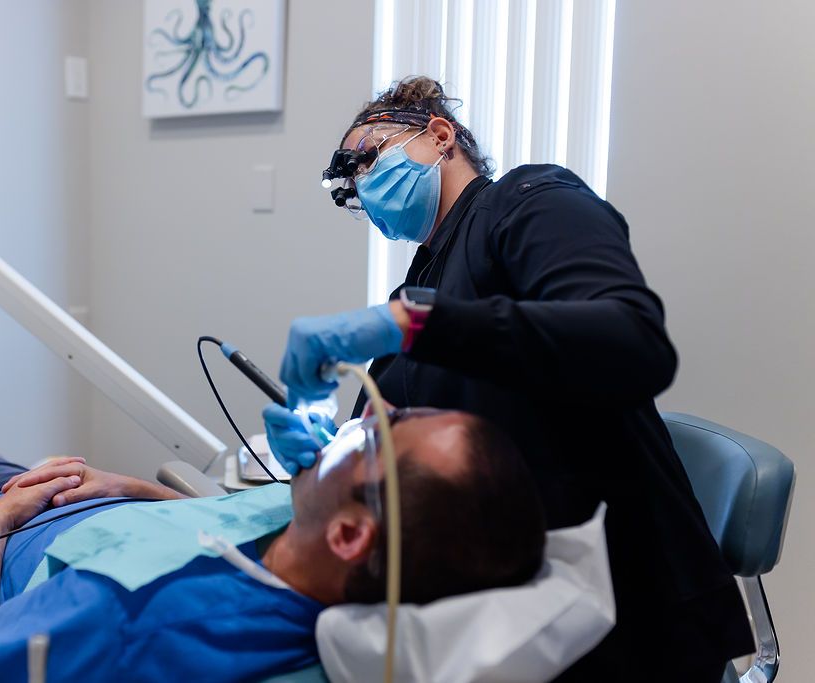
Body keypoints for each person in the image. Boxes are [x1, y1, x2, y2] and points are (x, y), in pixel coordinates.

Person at [263, 77, 754, 681]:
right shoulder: (422, 282)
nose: (363, 186)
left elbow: (631, 340)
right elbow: (390, 425)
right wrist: (326, 443)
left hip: (625, 611)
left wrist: (410, 323)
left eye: (367, 159)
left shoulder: (529, 199)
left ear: (439, 135)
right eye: (352, 186)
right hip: (504, 603)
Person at [0, 383, 546, 683]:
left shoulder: (132, 624)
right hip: (84, 510)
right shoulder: (316, 540)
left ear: (352, 534)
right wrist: (131, 488)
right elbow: (217, 523)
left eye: (376, 434)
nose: (357, 421)